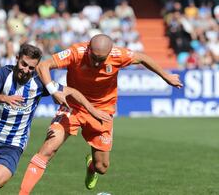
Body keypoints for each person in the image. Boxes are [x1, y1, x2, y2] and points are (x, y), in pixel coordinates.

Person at [19, 34, 183, 194]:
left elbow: (143, 58)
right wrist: (53, 91)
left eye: (101, 59)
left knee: (102, 167)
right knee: (48, 148)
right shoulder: (77, 52)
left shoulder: (119, 55)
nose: (97, 63)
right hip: (73, 106)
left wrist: (166, 76)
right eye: (94, 57)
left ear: (109, 53)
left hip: (102, 111)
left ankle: (92, 166)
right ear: (88, 48)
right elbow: (43, 65)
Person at [0, 43, 112, 195]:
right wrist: (4, 98)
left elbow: (73, 92)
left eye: (31, 67)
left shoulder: (39, 83)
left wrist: (92, 110)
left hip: (14, 142)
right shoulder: (3, 73)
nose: (26, 70)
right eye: (23, 64)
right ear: (17, 59)